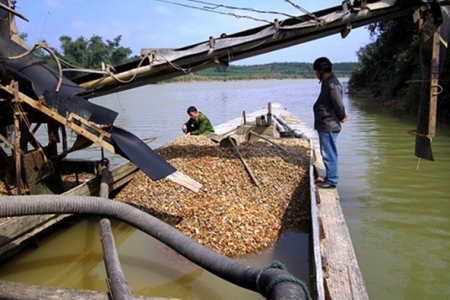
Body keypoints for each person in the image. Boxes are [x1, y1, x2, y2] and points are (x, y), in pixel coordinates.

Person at [312, 57, 348, 189]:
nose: (315, 74)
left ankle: (332, 180)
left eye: (316, 72)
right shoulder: (327, 82)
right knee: (327, 152)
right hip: (326, 123)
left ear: (322, 71)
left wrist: (342, 115)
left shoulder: (332, 84)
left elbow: (338, 104)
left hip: (329, 124)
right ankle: (329, 177)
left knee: (329, 153)